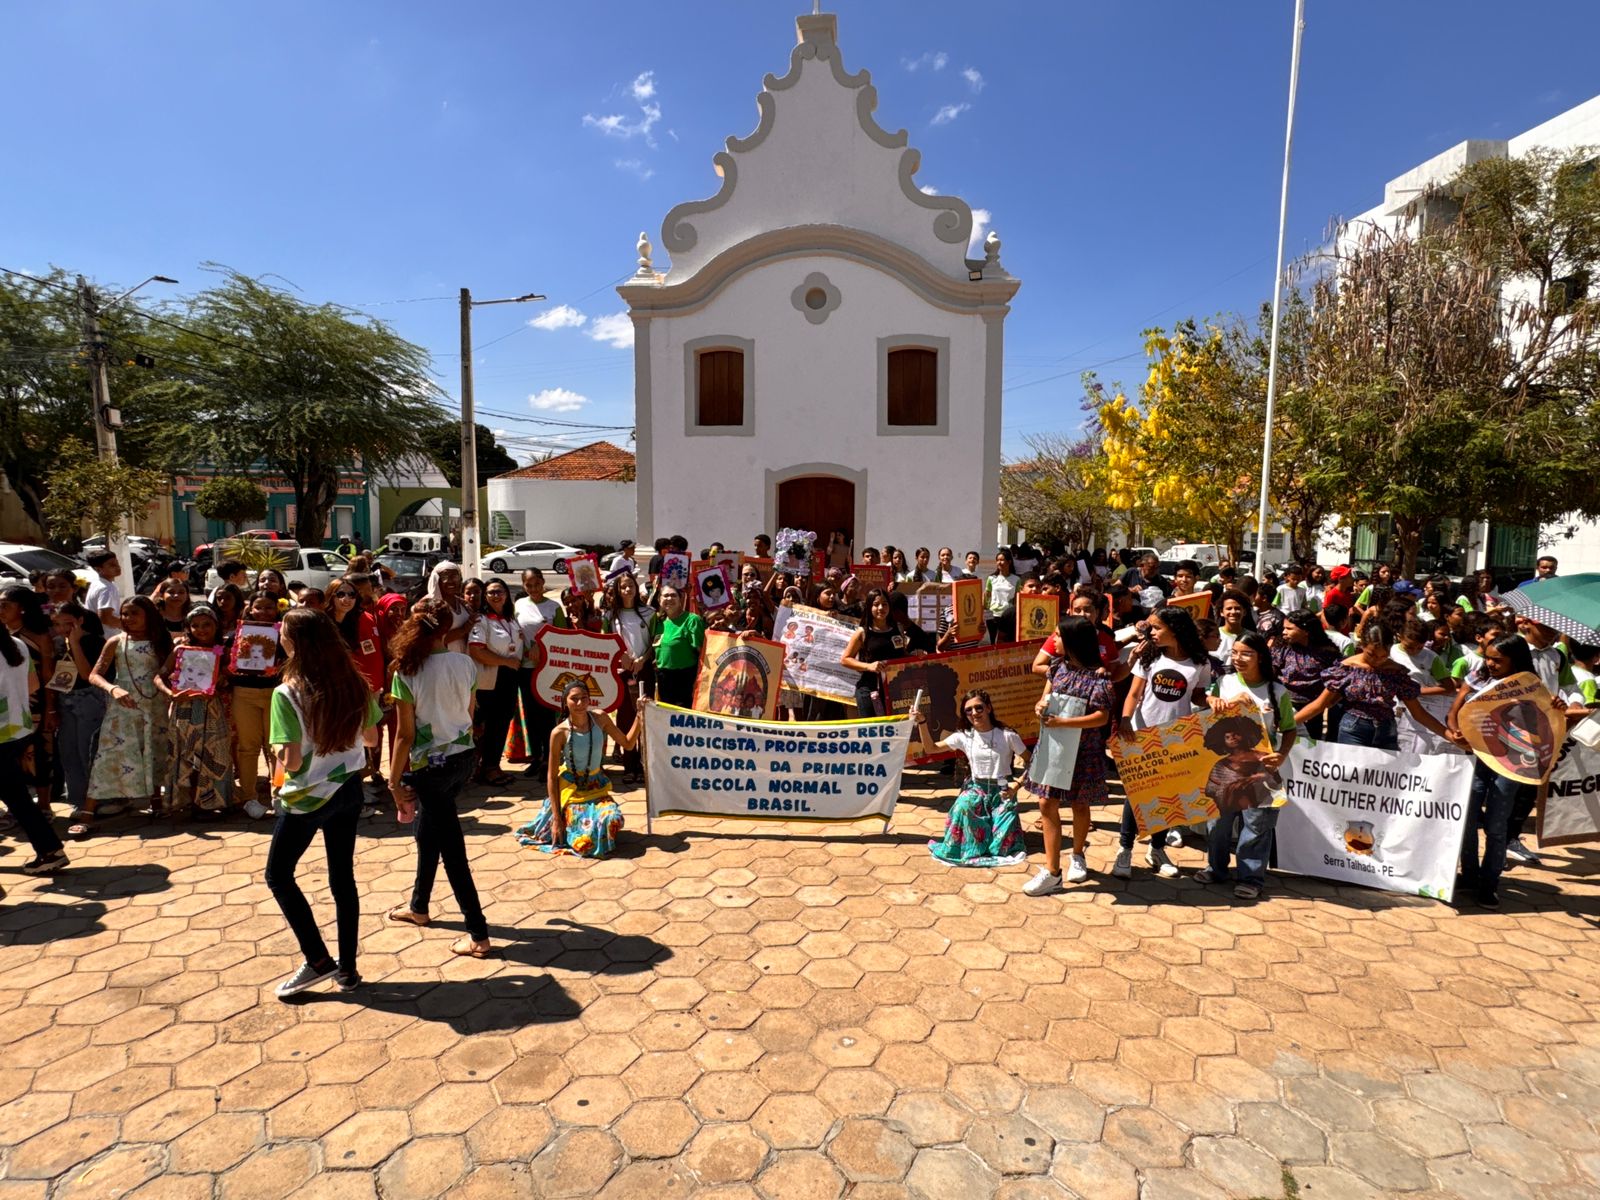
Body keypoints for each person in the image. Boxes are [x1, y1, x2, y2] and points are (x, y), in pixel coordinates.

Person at [266, 608, 382, 998]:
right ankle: (348, 969)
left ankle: (317, 961)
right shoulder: (353, 681)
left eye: (283, 631)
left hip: (306, 798)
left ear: (295, 642)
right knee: (341, 878)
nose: (280, 636)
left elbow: (293, 761)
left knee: (278, 875)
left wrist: (277, 750)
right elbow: (371, 739)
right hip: (348, 788)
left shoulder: (287, 693)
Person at [386, 602, 492, 958]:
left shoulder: (407, 672)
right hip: (463, 758)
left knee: (453, 853)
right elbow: (470, 711)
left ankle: (478, 933)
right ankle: (419, 906)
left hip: (430, 768)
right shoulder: (464, 663)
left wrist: (393, 779)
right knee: (426, 833)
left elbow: (404, 734)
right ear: (448, 627)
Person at [1447, 634, 1555, 908]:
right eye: (1488, 657)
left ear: (1515, 660)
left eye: (1498, 660)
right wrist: (1455, 732)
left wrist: (1559, 707)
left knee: (1497, 825)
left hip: (1511, 763)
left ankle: (1489, 884)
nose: (1490, 663)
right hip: (1477, 758)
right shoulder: (1479, 675)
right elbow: (1456, 709)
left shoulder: (1530, 686)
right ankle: (1469, 876)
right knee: (1467, 820)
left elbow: (1546, 720)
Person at [1114, 606, 1213, 879]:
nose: (1151, 633)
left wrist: (1211, 701)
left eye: (1157, 628)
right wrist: (1125, 719)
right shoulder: (1148, 657)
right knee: (1137, 794)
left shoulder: (1200, 662)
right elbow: (1134, 694)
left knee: (1165, 797)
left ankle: (1157, 849)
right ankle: (1124, 850)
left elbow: (1197, 696)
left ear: (1175, 629)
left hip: (1176, 737)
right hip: (1141, 734)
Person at [1021, 617, 1116, 893]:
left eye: (1058, 636)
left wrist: (1064, 723)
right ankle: (1052, 870)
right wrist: (1041, 706)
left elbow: (1101, 717)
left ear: (1073, 642)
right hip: (1053, 746)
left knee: (1079, 804)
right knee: (1045, 802)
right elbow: (1046, 696)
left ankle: (1077, 853)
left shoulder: (1099, 678)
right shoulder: (1057, 668)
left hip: (1083, 753)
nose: (1054, 641)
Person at [1201, 632, 1298, 899]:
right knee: (1217, 823)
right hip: (1226, 768)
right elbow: (1206, 708)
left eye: (1246, 653)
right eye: (1234, 653)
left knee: (1257, 826)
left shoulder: (1278, 692)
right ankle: (1215, 868)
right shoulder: (1224, 681)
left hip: (1264, 771)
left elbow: (1289, 730)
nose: (1238, 659)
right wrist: (1213, 700)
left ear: (1261, 657)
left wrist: (1281, 755)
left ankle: (1251, 877)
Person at [519, 679, 643, 857]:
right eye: (574, 699)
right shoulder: (559, 733)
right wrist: (556, 818)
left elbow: (629, 744)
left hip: (596, 787)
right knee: (584, 837)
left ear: (590, 700)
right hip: (571, 791)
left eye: (584, 698)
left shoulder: (600, 718)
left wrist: (639, 716)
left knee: (612, 819)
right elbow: (552, 777)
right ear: (565, 702)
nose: (579, 703)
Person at [81, 596, 173, 835]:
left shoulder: (161, 640)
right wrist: (113, 688)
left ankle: (156, 801)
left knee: (154, 748)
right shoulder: (115, 642)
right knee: (108, 754)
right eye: (124, 613)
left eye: (134, 613)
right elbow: (94, 675)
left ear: (149, 616)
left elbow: (171, 668)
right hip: (122, 707)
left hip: (155, 706)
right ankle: (88, 812)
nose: (127, 619)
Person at [1295, 619, 1457, 750]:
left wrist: (1449, 736)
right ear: (1362, 646)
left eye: (1384, 656)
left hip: (1387, 730)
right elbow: (1320, 705)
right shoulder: (1347, 668)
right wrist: (1288, 723)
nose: (1377, 660)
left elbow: (1419, 713)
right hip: (1353, 729)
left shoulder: (1396, 672)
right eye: (1371, 654)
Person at [915, 689, 1030, 867]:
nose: (974, 713)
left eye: (979, 708)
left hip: (1003, 792)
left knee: (1001, 849)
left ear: (989, 708)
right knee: (963, 804)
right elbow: (931, 749)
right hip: (977, 789)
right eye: (968, 710)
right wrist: (922, 722)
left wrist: (1017, 785)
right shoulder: (964, 736)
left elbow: (1033, 762)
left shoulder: (1008, 735)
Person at [0, 616, 69, 875]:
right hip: (18, 729)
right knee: (17, 796)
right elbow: (33, 685)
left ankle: (50, 851)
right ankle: (50, 850)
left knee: (17, 798)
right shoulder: (16, 644)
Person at [154, 604, 234, 818]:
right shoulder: (180, 649)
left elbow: (231, 678)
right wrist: (170, 693)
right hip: (185, 708)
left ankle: (209, 802)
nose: (201, 629)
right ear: (189, 628)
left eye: (207, 624)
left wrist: (223, 679)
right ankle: (187, 803)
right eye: (195, 626)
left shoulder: (223, 650)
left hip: (212, 709)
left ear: (216, 626)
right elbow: (159, 676)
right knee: (187, 753)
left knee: (213, 754)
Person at [47, 598, 106, 824]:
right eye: (57, 624)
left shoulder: (93, 642)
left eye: (68, 623)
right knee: (68, 751)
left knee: (87, 751)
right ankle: (78, 800)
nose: (62, 629)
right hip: (65, 700)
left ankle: (96, 800)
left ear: (80, 621)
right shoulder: (56, 642)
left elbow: (85, 674)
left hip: (89, 699)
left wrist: (76, 643)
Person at [1, 586, 57, 816]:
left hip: (34, 703)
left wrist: (51, 708)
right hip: (6, 705)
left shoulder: (38, 636)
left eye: (5, 605)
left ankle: (44, 805)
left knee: (40, 753)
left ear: (21, 609)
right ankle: (17, 806)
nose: (0, 610)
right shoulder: (2, 634)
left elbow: (47, 675)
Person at [230, 591, 286, 819]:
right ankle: (249, 797)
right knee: (248, 748)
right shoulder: (238, 634)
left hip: (275, 694)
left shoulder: (285, 634)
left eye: (269, 608)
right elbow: (226, 663)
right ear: (250, 609)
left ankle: (280, 794)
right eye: (258, 607)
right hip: (244, 693)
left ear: (277, 609)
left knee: (278, 748)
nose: (263, 612)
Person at [329, 579, 387, 797]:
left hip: (363, 690)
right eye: (341, 594)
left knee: (359, 742)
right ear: (331, 596)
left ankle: (356, 788)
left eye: (351, 595)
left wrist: (375, 687)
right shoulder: (323, 623)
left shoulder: (364, 618)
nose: (347, 599)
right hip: (333, 693)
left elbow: (373, 655)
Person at [468, 579, 523, 786]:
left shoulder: (509, 618)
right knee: (486, 725)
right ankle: (484, 769)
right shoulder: (481, 619)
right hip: (490, 680)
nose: (495, 595)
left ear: (507, 594)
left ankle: (492, 766)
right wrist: (506, 661)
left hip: (509, 677)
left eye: (499, 591)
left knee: (501, 724)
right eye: (490, 592)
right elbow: (476, 650)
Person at [601, 572, 653, 783]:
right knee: (625, 718)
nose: (627, 590)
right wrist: (621, 656)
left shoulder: (649, 612)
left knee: (645, 717)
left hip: (644, 669)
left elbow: (654, 641)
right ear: (617, 590)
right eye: (623, 587)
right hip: (621, 673)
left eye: (630, 585)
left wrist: (642, 659)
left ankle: (644, 766)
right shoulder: (610, 616)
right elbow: (607, 641)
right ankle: (629, 766)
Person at [513, 568, 563, 775]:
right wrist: (526, 650)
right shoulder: (518, 605)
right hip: (525, 668)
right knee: (531, 714)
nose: (533, 589)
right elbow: (514, 632)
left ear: (543, 583)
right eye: (528, 585)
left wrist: (541, 648)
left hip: (548, 669)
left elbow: (562, 636)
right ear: (524, 585)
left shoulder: (554, 608)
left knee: (547, 715)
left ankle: (550, 758)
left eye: (536, 584)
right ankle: (536, 757)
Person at [840, 589, 905, 719]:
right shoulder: (862, 632)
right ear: (869, 607)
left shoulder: (898, 628)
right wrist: (868, 666)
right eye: (876, 604)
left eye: (885, 604)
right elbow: (845, 659)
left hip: (895, 689)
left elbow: (902, 655)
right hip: (869, 691)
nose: (881, 608)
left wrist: (917, 655)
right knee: (872, 733)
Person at [650, 586, 705, 707]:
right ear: (659, 600)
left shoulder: (692, 620)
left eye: (673, 595)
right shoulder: (659, 622)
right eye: (665, 595)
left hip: (685, 679)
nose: (669, 598)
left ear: (681, 599)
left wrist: (699, 680)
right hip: (663, 678)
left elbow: (702, 653)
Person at [426, 561, 473, 650]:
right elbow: (433, 640)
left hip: (464, 658)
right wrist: (464, 629)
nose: (450, 581)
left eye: (454, 577)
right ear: (437, 581)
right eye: (445, 577)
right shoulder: (430, 604)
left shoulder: (463, 604)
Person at [984, 551, 1022, 645]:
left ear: (1009, 562)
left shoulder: (1016, 579)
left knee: (1006, 641)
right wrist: (984, 610)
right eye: (997, 560)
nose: (999, 563)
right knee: (993, 641)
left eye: (1002, 560)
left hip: (1008, 615)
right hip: (993, 615)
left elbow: (1017, 598)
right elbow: (987, 595)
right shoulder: (991, 578)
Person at [83, 549, 123, 631]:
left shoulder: (99, 583)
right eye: (112, 565)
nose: (117, 567)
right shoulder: (106, 588)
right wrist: (128, 627)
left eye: (117, 563)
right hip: (107, 637)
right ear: (98, 569)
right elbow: (105, 618)